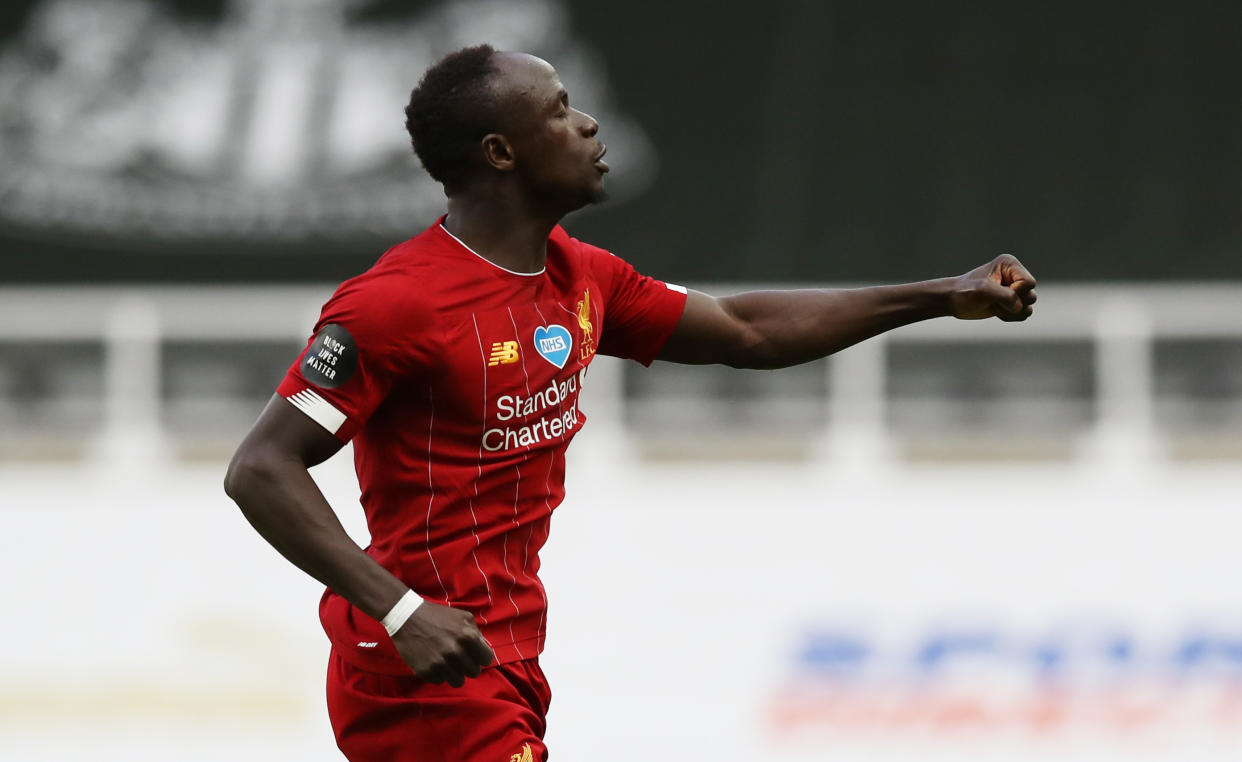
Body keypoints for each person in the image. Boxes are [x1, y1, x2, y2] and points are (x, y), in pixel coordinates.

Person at [223, 44, 1037, 762]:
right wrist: (401, 611)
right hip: (423, 666)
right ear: (502, 152)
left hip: (500, 649)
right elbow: (261, 467)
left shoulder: (580, 277)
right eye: (559, 111)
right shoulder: (395, 305)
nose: (587, 123)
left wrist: (942, 294)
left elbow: (745, 332)